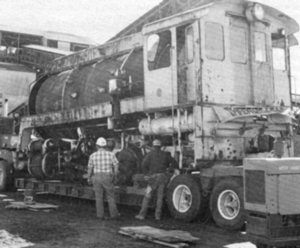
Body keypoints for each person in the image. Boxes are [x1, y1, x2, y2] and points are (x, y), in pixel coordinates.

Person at [135, 139, 179, 221]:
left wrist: (146, 174)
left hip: (152, 179)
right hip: (162, 177)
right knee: (160, 197)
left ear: (153, 145)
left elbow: (143, 165)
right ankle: (157, 216)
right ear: (160, 146)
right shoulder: (165, 154)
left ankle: (141, 215)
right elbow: (174, 162)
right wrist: (169, 169)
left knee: (147, 196)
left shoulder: (150, 154)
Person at [87, 137, 119, 220]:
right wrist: (115, 176)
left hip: (97, 176)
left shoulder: (92, 156)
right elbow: (116, 165)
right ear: (105, 146)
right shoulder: (111, 154)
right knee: (111, 196)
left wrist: (89, 178)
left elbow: (90, 168)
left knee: (98, 197)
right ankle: (114, 215)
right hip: (107, 176)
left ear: (97, 146)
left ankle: (100, 215)